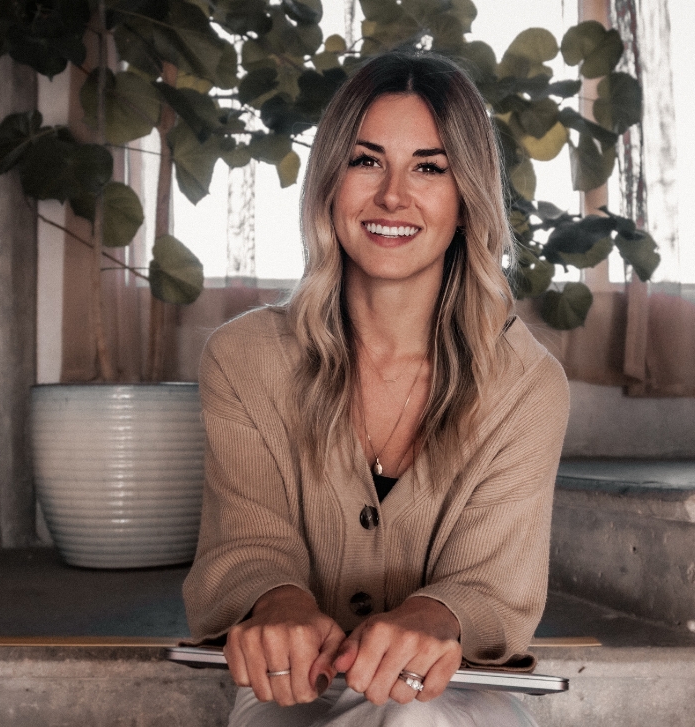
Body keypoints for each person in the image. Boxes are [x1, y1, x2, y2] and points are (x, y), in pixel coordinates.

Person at [182, 50, 570, 726]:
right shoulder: (243, 359)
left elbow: (492, 583)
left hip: (458, 691)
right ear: (330, 182)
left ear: (465, 198)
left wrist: (433, 614)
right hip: (296, 685)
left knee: (413, 720)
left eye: (429, 167)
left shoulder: (526, 384)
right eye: (367, 161)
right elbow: (247, 543)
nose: (393, 195)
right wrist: (279, 606)